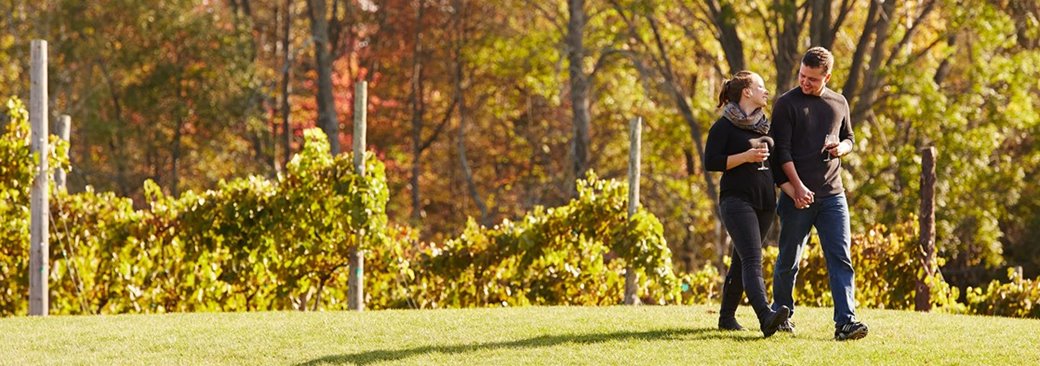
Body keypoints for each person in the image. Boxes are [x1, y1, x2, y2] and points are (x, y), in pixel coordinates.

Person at [769, 47, 869, 341]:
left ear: (827, 76)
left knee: (840, 257)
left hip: (833, 195)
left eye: (812, 78)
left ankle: (846, 323)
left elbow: (849, 137)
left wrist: (843, 148)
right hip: (797, 195)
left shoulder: (838, 102)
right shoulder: (786, 104)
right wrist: (797, 188)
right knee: (789, 258)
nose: (805, 82)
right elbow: (781, 152)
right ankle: (782, 312)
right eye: (802, 75)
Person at [704, 70, 790, 338]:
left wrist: (795, 190)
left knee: (741, 261)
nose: (766, 91)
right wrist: (746, 156)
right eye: (760, 87)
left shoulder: (764, 125)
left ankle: (726, 318)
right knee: (753, 258)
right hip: (736, 200)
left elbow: (776, 169)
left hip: (765, 202)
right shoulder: (724, 126)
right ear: (746, 92)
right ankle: (766, 316)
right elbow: (711, 162)